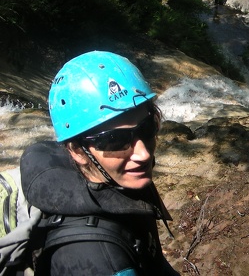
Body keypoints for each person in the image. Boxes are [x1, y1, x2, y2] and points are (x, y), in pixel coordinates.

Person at [20, 51, 181, 275]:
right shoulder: (96, 259)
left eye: (147, 128)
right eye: (114, 140)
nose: (143, 153)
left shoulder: (118, 182)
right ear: (77, 151)